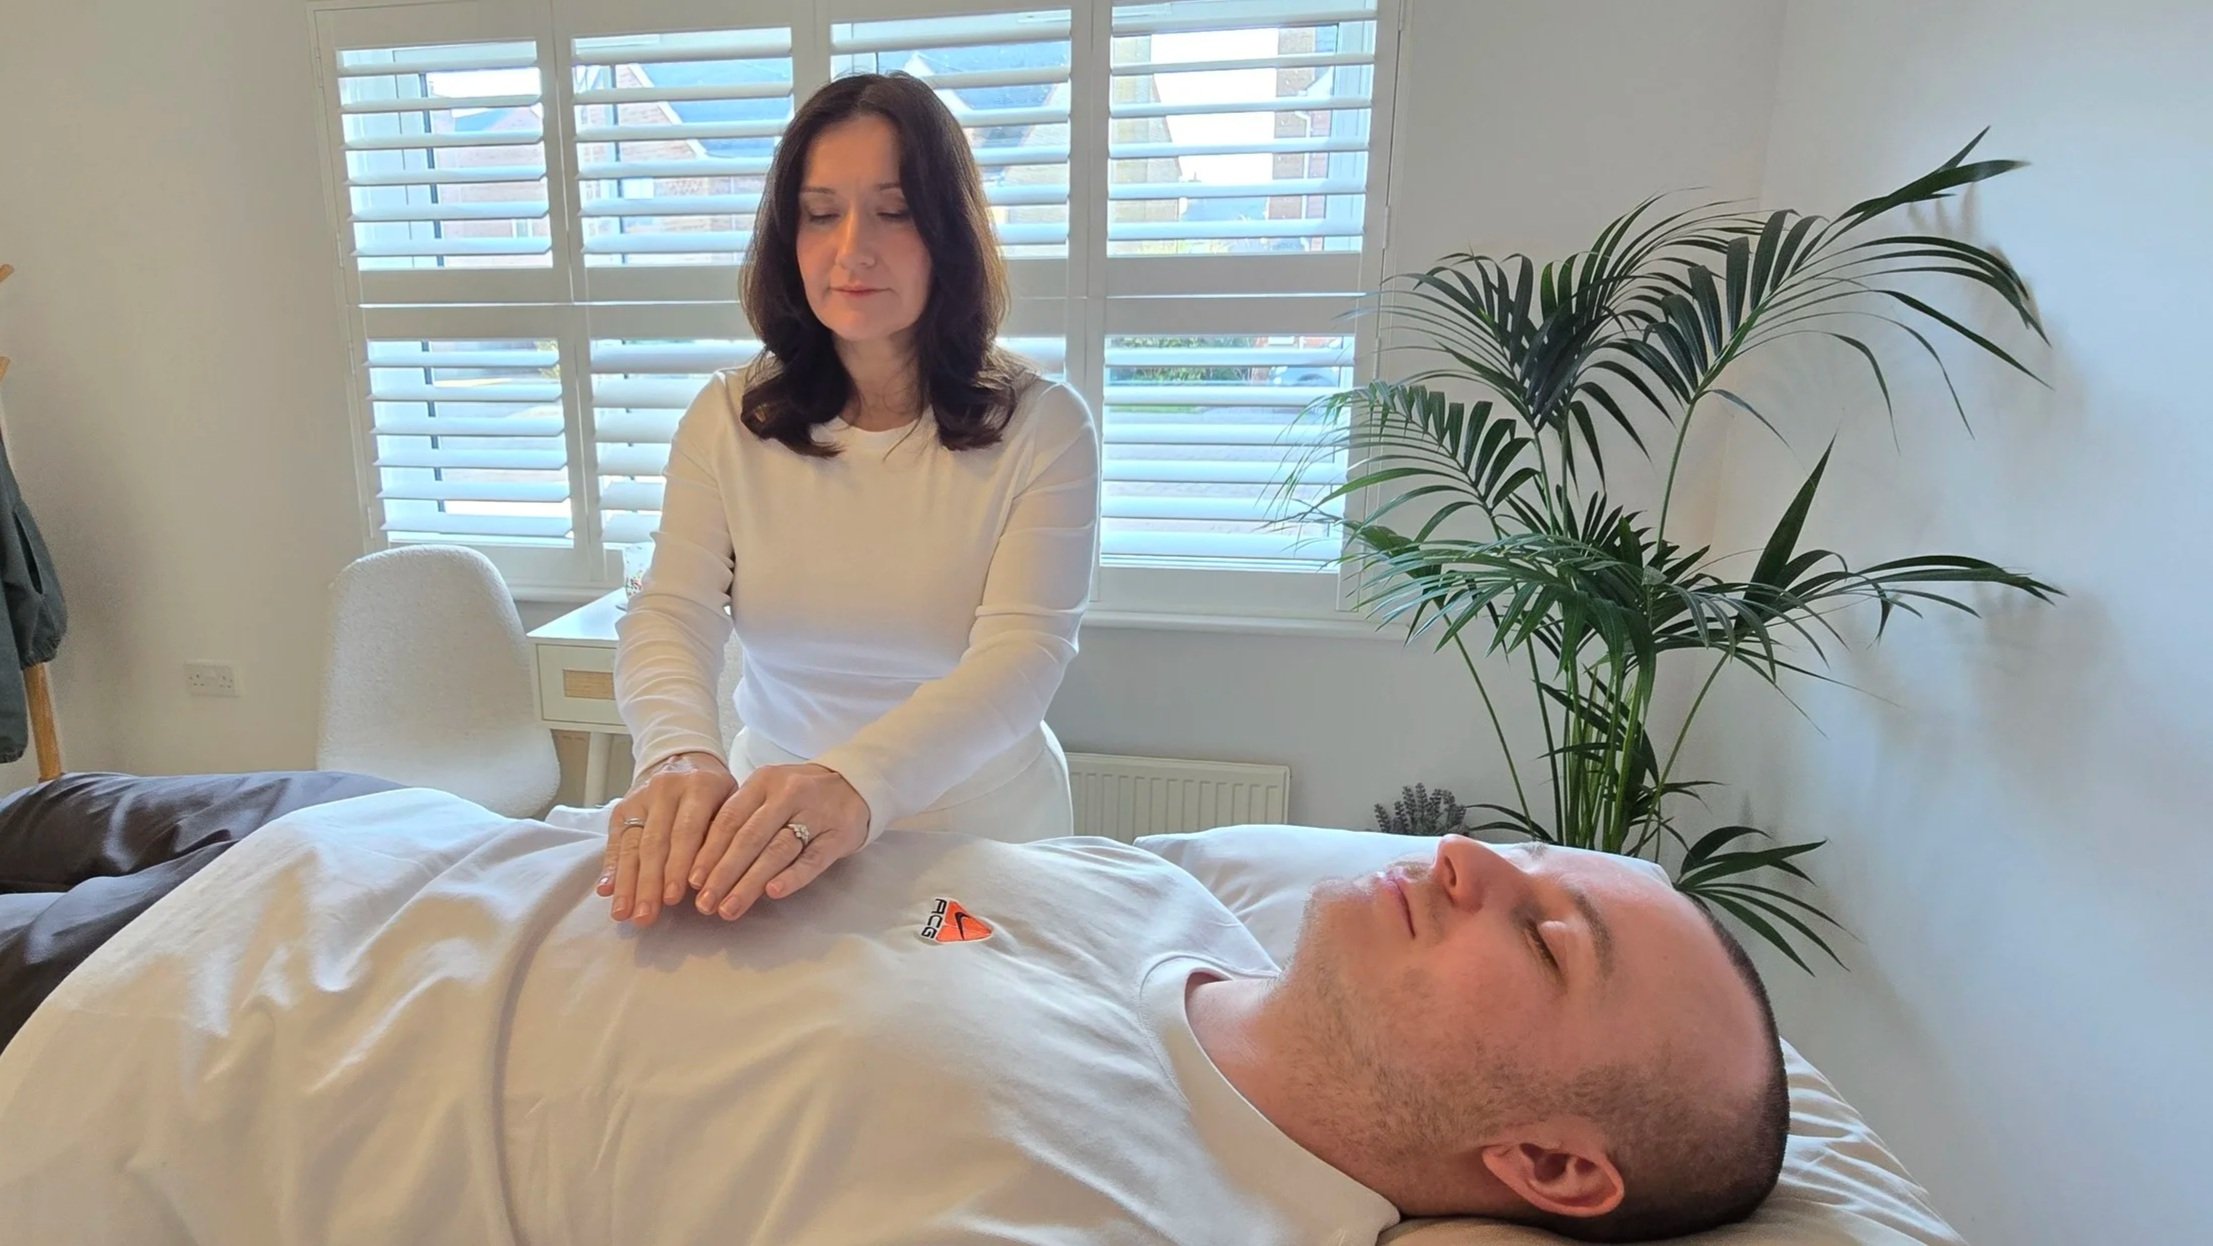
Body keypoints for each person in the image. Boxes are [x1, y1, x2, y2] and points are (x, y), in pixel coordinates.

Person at [0, 774, 1787, 1245]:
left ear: (1549, 1162)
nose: (1476, 860)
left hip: (174, 1035)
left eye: (1550, 942)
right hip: (353, 832)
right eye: (1532, 860)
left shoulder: (1115, 1212)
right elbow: (931, 927)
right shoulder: (1161, 905)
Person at [606, 70, 1101, 932]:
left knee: (943, 1035)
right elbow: (672, 610)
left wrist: (854, 785)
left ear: (947, 230)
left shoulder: (1043, 426)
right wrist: (677, 755)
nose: (851, 250)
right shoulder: (728, 418)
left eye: (895, 211)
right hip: (772, 825)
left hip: (974, 833)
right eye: (820, 212)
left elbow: (1022, 656)